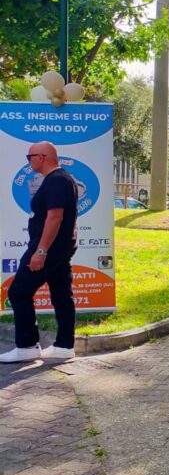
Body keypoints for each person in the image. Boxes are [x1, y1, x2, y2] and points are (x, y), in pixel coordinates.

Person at [1, 141, 79, 363]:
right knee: (62, 294)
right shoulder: (61, 179)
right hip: (60, 248)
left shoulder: (56, 181)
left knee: (18, 292)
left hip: (49, 248)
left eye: (30, 157)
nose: (28, 162)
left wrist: (41, 251)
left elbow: (55, 217)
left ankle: (27, 346)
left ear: (42, 157)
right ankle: (64, 346)